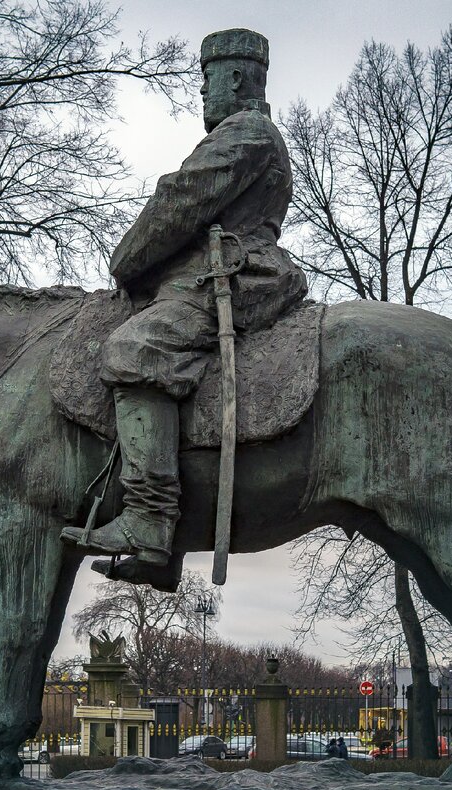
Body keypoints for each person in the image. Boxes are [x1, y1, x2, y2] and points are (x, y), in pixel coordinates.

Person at [60, 29, 307, 568]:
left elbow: (180, 201)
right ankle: (162, 551)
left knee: (135, 349)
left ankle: (149, 515)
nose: (201, 93)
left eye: (205, 81)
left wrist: (128, 262)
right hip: (217, 273)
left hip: (235, 277)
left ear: (235, 77)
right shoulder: (250, 134)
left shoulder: (247, 132)